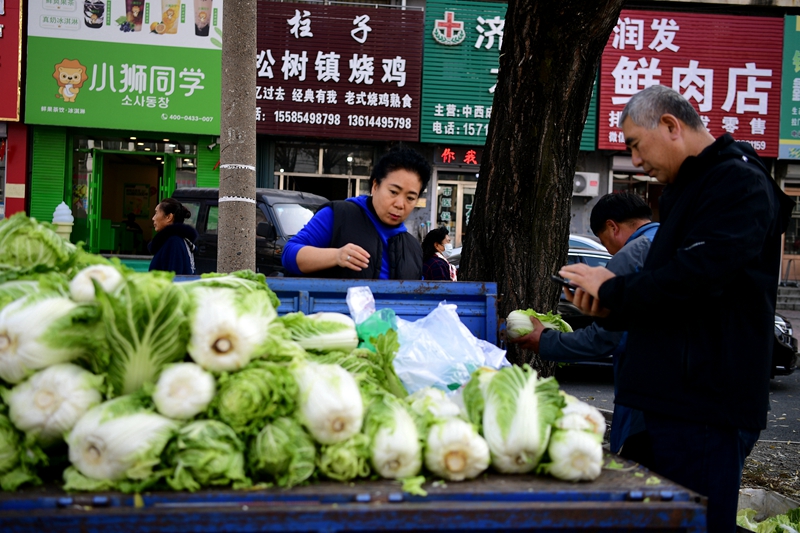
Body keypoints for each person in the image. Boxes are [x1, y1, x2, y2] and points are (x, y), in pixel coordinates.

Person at [560, 85, 794, 533]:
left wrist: (613, 290)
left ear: (670, 125)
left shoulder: (738, 181)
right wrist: (610, 308)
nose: (635, 160)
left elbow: (699, 275)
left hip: (703, 404)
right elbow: (671, 291)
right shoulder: (692, 187)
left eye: (634, 144)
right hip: (668, 400)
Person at [510, 191, 658, 464]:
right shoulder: (672, 241)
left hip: (648, 397)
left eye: (604, 242)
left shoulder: (631, 254)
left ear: (613, 227)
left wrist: (545, 340)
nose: (610, 251)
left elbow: (605, 338)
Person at [282, 147, 431, 280]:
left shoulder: (413, 248)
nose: (400, 204)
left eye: (410, 198)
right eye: (393, 192)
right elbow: (289, 255)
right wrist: (336, 256)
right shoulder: (339, 216)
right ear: (375, 186)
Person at [149, 198, 198, 275]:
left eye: (156, 213)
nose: (153, 218)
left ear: (169, 217)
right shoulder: (179, 240)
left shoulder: (174, 242)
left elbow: (174, 278)